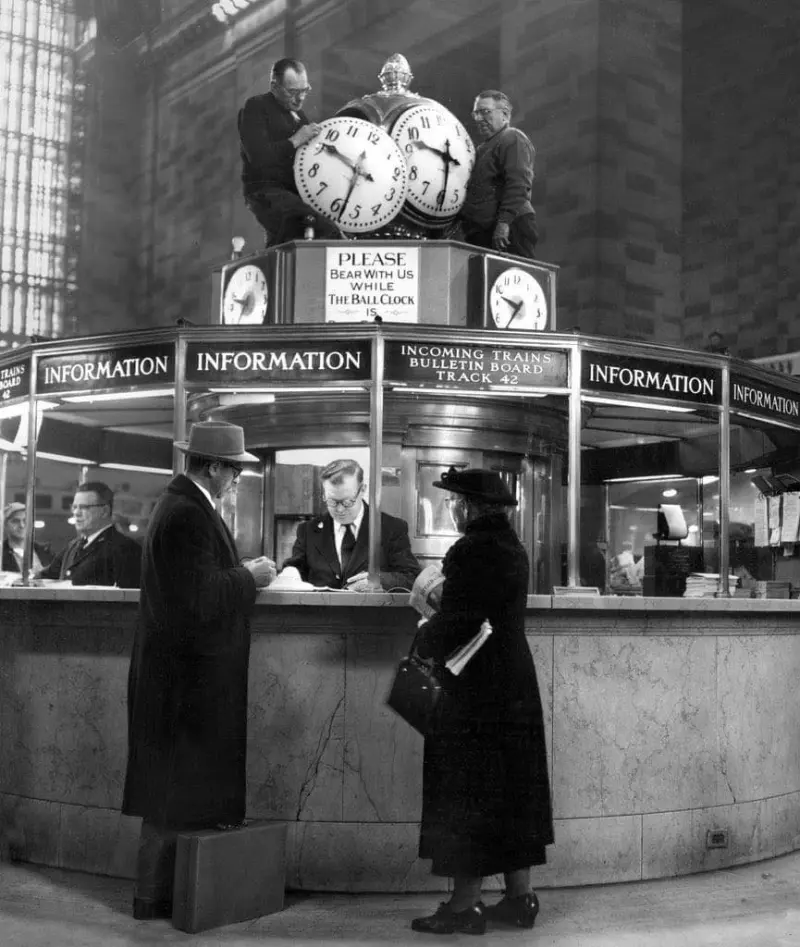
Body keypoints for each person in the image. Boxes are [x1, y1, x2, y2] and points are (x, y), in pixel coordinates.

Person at [122, 420, 276, 920]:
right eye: (233, 470)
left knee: (171, 794)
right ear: (213, 467)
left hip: (180, 678)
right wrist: (249, 576)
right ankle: (156, 898)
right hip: (186, 683)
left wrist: (234, 574)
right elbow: (201, 598)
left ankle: (161, 896)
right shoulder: (188, 513)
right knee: (172, 794)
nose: (236, 480)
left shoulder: (181, 505)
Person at [409, 467, 553, 936]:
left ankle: (464, 905)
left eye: (453, 502)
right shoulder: (513, 547)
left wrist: (424, 634)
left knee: (465, 790)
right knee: (513, 789)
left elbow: (461, 619)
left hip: (474, 688)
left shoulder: (471, 549)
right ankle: (519, 898)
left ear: (468, 507)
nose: (451, 509)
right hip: (513, 680)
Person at [238, 57, 342, 245]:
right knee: (325, 229)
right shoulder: (256, 107)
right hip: (266, 192)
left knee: (283, 244)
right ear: (274, 86)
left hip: (293, 194)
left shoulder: (297, 114)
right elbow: (258, 157)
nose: (300, 98)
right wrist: (296, 140)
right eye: (293, 92)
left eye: (304, 90)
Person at [279, 458, 420, 591]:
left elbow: (412, 577)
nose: (340, 510)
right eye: (332, 501)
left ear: (362, 490)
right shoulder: (308, 530)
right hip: (321, 616)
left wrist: (378, 580)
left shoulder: (391, 528)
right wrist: (290, 573)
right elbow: (295, 568)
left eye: (347, 502)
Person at [460, 90, 538, 259]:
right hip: (483, 233)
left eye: (485, 112)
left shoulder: (512, 137)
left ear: (505, 115)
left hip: (508, 230)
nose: (479, 119)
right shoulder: (481, 150)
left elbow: (518, 184)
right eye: (476, 113)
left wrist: (504, 223)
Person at [38, 482, 142, 587]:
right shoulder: (72, 547)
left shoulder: (125, 549)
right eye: (74, 507)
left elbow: (128, 596)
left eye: (84, 507)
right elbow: (46, 576)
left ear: (104, 511)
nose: (76, 513)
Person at [1, 502, 53, 574]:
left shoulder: (46, 552)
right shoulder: (1, 554)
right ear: (5, 525)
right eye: (15, 521)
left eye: (25, 520)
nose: (22, 525)